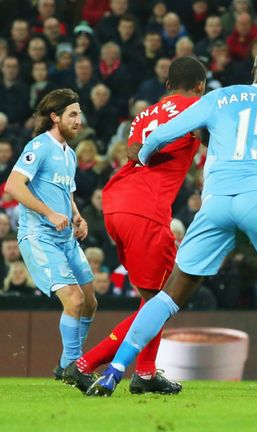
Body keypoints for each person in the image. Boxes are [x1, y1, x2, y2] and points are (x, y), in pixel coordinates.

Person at [86, 48, 257, 401]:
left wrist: (142, 157)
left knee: (169, 294)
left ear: (253, 71)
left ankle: (113, 373)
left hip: (215, 202)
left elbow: (159, 137)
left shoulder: (219, 97)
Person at [71, 57, 207, 396]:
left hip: (116, 202)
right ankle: (85, 364)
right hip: (146, 209)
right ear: (201, 86)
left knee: (152, 298)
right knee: (164, 298)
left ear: (166, 84)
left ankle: (145, 373)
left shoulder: (145, 114)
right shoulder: (198, 107)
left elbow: (134, 151)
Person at [5, 89, 96, 392]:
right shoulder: (39, 146)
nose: (78, 120)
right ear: (55, 117)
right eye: (72, 114)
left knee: (90, 303)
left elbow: (65, 193)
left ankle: (68, 365)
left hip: (66, 236)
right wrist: (49, 213)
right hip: (39, 236)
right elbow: (14, 186)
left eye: (79, 114)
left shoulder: (69, 153)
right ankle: (73, 365)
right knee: (75, 300)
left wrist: (76, 215)